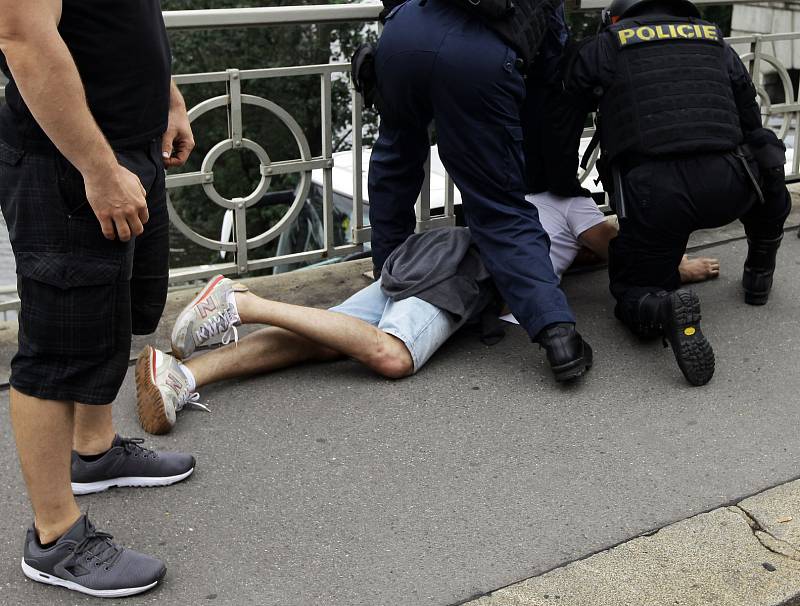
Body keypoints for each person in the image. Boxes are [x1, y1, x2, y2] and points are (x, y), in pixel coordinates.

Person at [0, 0, 197, 597]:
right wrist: (98, 168)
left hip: (127, 148)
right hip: (70, 162)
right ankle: (55, 539)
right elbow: (23, 38)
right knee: (58, 350)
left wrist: (168, 99)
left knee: (118, 316)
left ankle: (95, 450)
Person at [544, 0, 791, 386]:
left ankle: (663, 307)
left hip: (656, 198)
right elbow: (750, 123)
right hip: (730, 185)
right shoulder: (715, 41)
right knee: (765, 158)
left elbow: (562, 125)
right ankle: (759, 272)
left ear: (617, 16)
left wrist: (560, 186)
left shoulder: (604, 46)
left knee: (633, 293)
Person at [365, 0, 594, 382]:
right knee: (498, 206)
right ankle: (558, 335)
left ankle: (387, 281)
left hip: (403, 38)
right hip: (479, 59)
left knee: (395, 164)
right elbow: (551, 70)